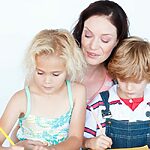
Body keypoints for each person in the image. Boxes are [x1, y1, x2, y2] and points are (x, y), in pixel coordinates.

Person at [0, 29, 87, 150]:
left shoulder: (77, 92)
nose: (47, 81)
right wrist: (15, 148)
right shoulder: (21, 99)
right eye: (40, 73)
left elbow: (76, 139)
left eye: (55, 74)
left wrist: (52, 149)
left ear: (68, 67)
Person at [72, 0, 129, 149]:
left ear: (117, 41)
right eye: (88, 35)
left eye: (105, 40)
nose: (93, 46)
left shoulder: (119, 82)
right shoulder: (54, 72)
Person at [85, 36, 150, 149]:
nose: (129, 88)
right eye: (123, 80)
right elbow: (81, 140)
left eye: (137, 82)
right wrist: (91, 142)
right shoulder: (100, 104)